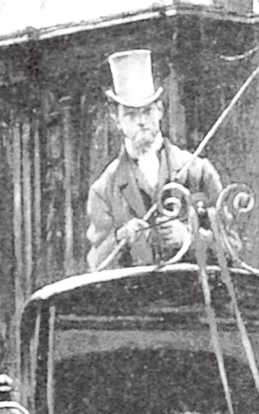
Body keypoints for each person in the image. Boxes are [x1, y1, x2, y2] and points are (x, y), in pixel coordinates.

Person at [86, 49, 223, 271]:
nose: (141, 121)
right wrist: (121, 238)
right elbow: (96, 266)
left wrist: (188, 237)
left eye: (147, 111)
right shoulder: (103, 190)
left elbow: (233, 247)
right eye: (130, 115)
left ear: (160, 111)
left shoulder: (198, 171)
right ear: (116, 120)